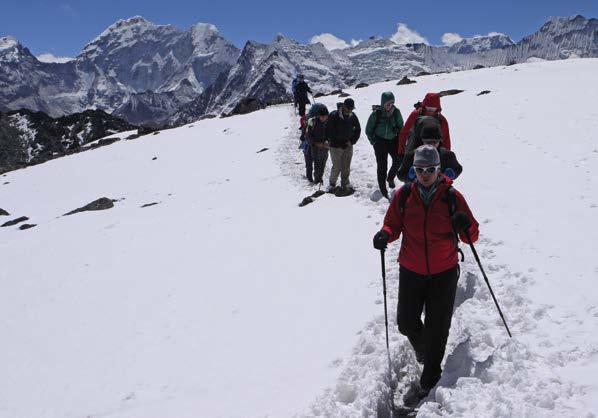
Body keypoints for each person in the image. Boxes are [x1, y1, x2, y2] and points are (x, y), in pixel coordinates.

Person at [372, 145, 479, 407]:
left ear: (439, 169)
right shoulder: (404, 195)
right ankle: (424, 350)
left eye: (430, 169)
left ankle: (430, 379)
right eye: (420, 169)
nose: (425, 174)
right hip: (411, 269)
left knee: (437, 328)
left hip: (444, 272)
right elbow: (393, 223)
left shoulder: (452, 197)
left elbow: (471, 236)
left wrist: (464, 224)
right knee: (406, 322)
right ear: (414, 170)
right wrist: (385, 234)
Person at [365, 91, 404, 198]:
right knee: (382, 165)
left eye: (392, 103)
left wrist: (398, 130)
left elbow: (401, 126)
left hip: (392, 140)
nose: (390, 105)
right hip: (380, 141)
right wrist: (373, 141)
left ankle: (390, 178)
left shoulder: (396, 112)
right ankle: (383, 189)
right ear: (383, 103)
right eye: (387, 103)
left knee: (398, 160)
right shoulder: (376, 114)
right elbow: (368, 130)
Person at [397, 124, 462, 182]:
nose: (431, 145)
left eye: (434, 142)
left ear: (439, 141)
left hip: (441, 189)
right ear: (422, 141)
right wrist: (409, 176)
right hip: (416, 190)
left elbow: (458, 169)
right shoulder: (411, 156)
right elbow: (400, 175)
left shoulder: (448, 156)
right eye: (427, 142)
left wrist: (453, 174)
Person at [398, 93, 452, 157]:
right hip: (414, 152)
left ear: (437, 108)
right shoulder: (415, 114)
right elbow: (404, 133)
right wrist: (401, 153)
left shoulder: (441, 120)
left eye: (433, 108)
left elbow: (446, 139)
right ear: (424, 106)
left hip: (434, 155)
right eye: (428, 108)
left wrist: (446, 156)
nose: (430, 110)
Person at [325, 98, 361, 194]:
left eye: (352, 109)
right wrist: (336, 142)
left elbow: (358, 129)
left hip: (348, 145)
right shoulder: (334, 115)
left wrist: (352, 141)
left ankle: (345, 184)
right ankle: (332, 184)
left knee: (346, 166)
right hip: (335, 146)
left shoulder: (353, 116)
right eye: (349, 108)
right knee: (336, 166)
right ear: (344, 106)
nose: (350, 110)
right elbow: (329, 131)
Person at [305, 104, 330, 184]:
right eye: (322, 117)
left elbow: (332, 133)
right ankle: (317, 180)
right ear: (318, 116)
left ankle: (319, 178)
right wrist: (316, 143)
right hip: (315, 147)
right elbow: (308, 135)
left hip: (325, 146)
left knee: (323, 163)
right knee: (317, 163)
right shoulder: (313, 122)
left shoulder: (329, 122)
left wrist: (328, 142)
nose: (323, 118)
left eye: (325, 116)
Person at [298, 114, 314, 182]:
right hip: (310, 146)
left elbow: (302, 137)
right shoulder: (309, 124)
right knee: (311, 162)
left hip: (307, 147)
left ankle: (309, 177)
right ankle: (310, 178)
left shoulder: (306, 125)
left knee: (308, 162)